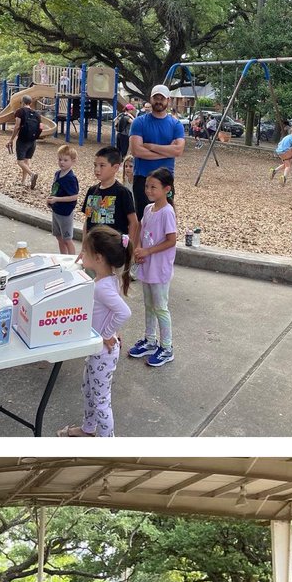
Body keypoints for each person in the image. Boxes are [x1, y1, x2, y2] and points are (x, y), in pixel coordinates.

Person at [57, 225, 131, 438]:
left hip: (103, 352)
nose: (82, 254)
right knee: (89, 391)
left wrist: (107, 333)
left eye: (85, 251)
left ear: (98, 258)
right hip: (96, 349)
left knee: (100, 400)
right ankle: (88, 429)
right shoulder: (106, 279)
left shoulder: (102, 287)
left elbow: (124, 312)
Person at [128, 166, 178, 369]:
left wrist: (148, 252)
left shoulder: (167, 212)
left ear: (167, 189)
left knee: (160, 308)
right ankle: (150, 341)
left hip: (160, 269)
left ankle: (167, 347)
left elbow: (171, 240)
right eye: (147, 186)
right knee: (149, 305)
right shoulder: (149, 209)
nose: (149, 191)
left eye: (154, 187)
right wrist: (138, 248)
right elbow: (140, 228)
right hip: (147, 267)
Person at [128, 84, 185, 214]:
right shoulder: (139, 122)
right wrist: (167, 152)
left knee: (165, 216)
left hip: (165, 179)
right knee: (142, 218)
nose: (159, 101)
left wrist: (151, 146)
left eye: (162, 98)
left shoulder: (176, 125)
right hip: (142, 177)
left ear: (168, 100)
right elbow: (136, 151)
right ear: (150, 99)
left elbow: (178, 151)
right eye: (156, 98)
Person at [81, 145, 139, 248]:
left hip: (114, 250)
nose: (97, 169)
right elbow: (87, 220)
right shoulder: (92, 191)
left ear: (115, 167)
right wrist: (84, 246)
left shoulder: (123, 192)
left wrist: (128, 247)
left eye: (102, 165)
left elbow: (133, 222)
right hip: (93, 247)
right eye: (95, 165)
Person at [46, 145, 79, 253]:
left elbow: (74, 196)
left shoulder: (71, 178)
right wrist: (51, 200)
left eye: (65, 160)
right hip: (56, 210)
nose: (62, 162)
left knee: (67, 239)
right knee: (59, 237)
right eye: (60, 159)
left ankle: (71, 259)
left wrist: (57, 199)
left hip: (65, 212)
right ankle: (62, 257)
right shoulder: (57, 174)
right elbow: (55, 189)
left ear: (73, 161)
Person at [6, 95, 42, 189]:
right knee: (27, 160)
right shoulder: (36, 114)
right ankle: (23, 182)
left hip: (22, 140)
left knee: (20, 161)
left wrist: (11, 139)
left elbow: (17, 126)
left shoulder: (20, 111)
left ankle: (32, 174)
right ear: (30, 103)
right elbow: (41, 127)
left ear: (22, 102)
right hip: (33, 140)